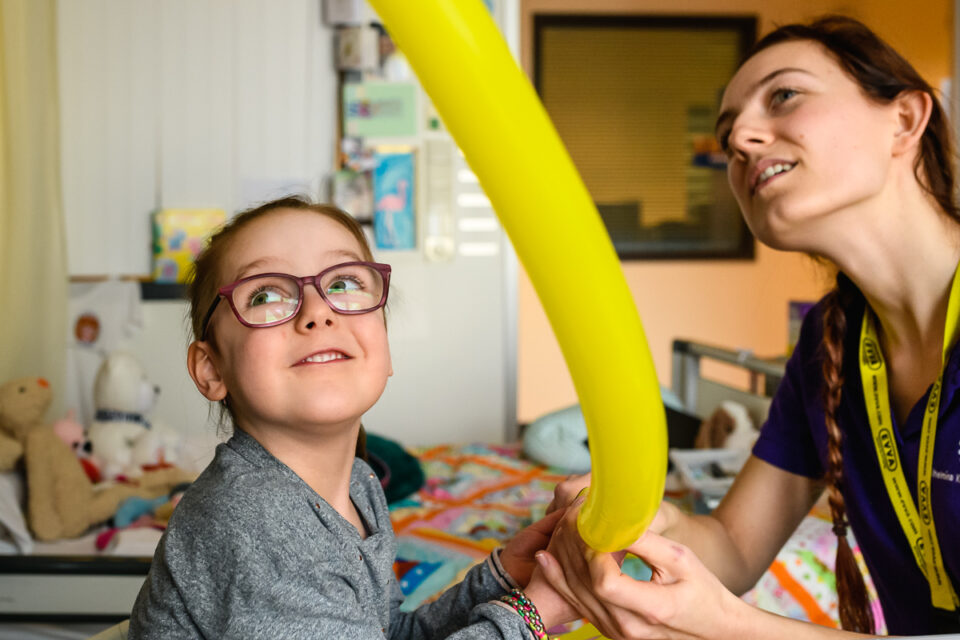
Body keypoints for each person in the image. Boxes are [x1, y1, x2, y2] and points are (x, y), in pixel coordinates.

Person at [536, 15, 960, 638]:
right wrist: (640, 522)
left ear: (904, 119)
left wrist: (729, 625)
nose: (739, 142)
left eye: (784, 96)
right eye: (728, 132)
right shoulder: (829, 341)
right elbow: (732, 546)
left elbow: (726, 602)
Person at [129, 196, 574, 639]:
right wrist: (532, 614)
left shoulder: (360, 485)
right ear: (212, 369)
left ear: (384, 346)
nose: (317, 310)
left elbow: (383, 633)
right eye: (265, 294)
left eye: (343, 283)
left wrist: (502, 579)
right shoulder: (249, 518)